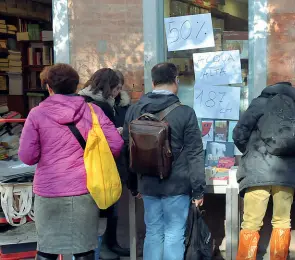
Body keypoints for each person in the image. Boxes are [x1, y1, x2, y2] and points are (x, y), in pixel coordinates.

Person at [18, 63, 124, 260]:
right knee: (84, 249)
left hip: (48, 191)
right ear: (76, 86)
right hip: (84, 189)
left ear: (49, 87)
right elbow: (116, 144)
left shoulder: (37, 114)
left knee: (46, 250)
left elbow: (27, 156)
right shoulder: (93, 112)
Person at [121, 62, 205, 260]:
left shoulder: (134, 110)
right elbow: (195, 153)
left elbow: (126, 150)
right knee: (174, 234)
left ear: (153, 82)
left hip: (147, 183)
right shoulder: (185, 113)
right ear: (176, 81)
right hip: (177, 185)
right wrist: (198, 189)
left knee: (153, 232)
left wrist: (134, 185)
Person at [233, 82, 295, 260]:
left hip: (257, 170)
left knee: (251, 223)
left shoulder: (260, 103)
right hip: (287, 175)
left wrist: (249, 153)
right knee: (282, 221)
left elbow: (239, 133)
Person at [79, 68, 130, 259]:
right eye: (117, 88)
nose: (119, 92)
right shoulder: (96, 105)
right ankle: (102, 247)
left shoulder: (116, 103)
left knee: (111, 204)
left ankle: (110, 243)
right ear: (108, 87)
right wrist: (117, 133)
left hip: (106, 161)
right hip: (100, 161)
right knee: (102, 207)